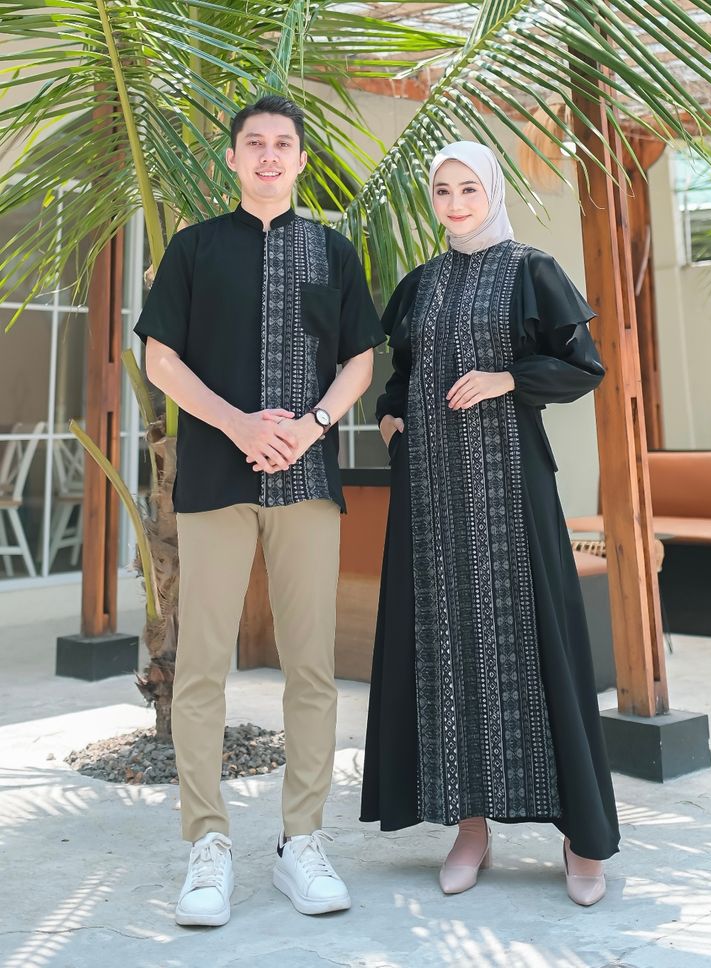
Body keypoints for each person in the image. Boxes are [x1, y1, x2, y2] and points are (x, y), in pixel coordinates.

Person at [135, 95, 384, 926]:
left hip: (306, 483)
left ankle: (300, 842)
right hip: (215, 479)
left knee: (310, 668)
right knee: (203, 667)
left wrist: (309, 426)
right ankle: (206, 844)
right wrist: (239, 425)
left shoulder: (334, 251)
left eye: (283, 143)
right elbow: (161, 359)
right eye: (255, 143)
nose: (270, 154)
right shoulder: (195, 248)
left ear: (301, 159)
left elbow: (359, 360)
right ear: (234, 159)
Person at [361, 141, 620, 906]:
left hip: (511, 491)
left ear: (493, 191)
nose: (454, 203)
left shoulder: (532, 271)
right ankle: (469, 829)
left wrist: (509, 377)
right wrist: (390, 420)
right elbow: (401, 375)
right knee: (445, 652)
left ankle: (581, 837)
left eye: (468, 188)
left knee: (540, 645)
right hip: (431, 496)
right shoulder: (421, 284)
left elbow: (582, 366)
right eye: (442, 191)